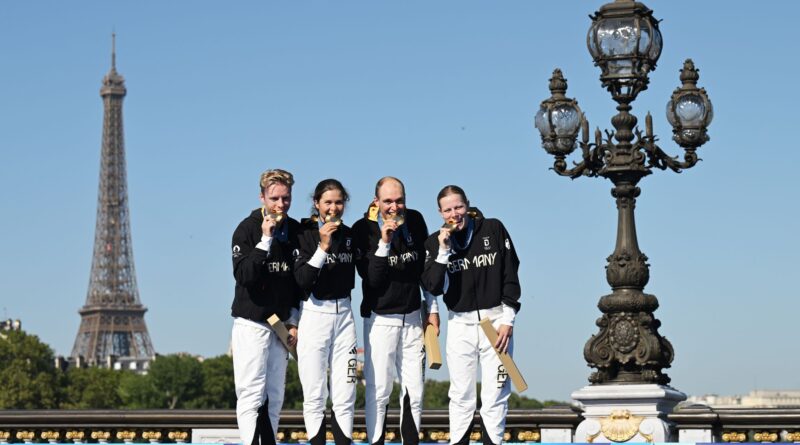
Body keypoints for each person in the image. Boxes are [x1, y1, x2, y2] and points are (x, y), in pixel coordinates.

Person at [421, 185, 521, 445]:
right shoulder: (434, 242)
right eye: (448, 210)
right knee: (461, 394)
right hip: (460, 324)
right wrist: (443, 252)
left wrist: (508, 319)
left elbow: (510, 273)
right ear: (440, 213)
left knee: (496, 393)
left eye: (459, 207)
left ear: (468, 205)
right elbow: (431, 286)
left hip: (496, 321)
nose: (455, 214)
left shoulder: (493, 229)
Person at [352, 177, 439, 445]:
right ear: (376, 201)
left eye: (399, 200)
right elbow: (372, 279)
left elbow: (424, 269)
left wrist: (432, 308)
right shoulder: (361, 229)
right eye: (388, 201)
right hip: (380, 320)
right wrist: (384, 242)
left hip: (413, 317)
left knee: (415, 390)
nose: (394, 206)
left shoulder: (415, 220)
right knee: (379, 391)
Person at [230, 169, 301, 445]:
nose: (280, 204)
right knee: (251, 393)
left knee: (275, 394)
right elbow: (244, 275)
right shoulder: (246, 229)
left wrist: (293, 320)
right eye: (274, 198)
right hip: (252, 322)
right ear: (262, 197)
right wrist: (266, 240)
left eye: (286, 198)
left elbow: (297, 283)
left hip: (279, 326)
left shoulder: (294, 231)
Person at [294, 179, 358, 445]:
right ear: (316, 204)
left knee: (346, 392)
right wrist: (322, 247)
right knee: (315, 392)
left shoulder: (351, 235)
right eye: (328, 202)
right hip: (314, 314)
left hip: (345, 314)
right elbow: (301, 281)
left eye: (339, 202)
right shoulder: (304, 234)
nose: (334, 208)